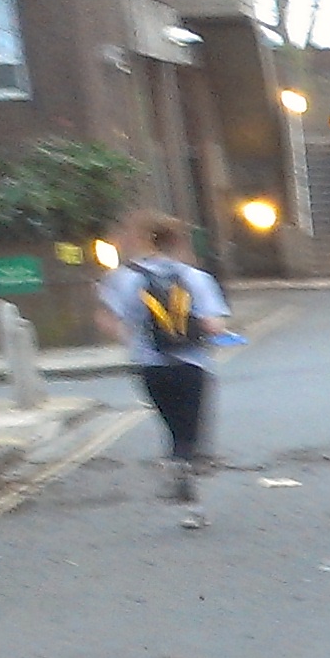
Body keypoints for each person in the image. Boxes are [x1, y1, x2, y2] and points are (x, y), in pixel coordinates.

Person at [92, 212, 232, 530]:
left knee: (170, 426)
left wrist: (132, 336)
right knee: (189, 433)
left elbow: (107, 321)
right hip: (192, 365)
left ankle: (179, 470)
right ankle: (188, 492)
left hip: (150, 365)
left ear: (143, 240)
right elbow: (213, 324)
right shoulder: (196, 277)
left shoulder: (124, 277)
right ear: (178, 241)